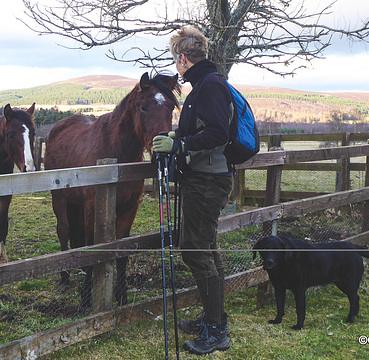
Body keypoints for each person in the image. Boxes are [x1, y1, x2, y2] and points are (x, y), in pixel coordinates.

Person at [152, 26, 234, 355]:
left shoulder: (209, 86)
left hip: (207, 181)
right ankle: (215, 320)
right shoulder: (207, 83)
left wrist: (179, 144)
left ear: (183, 58)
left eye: (176, 60)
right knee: (207, 249)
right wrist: (180, 143)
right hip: (204, 179)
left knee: (196, 252)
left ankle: (215, 331)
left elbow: (217, 133)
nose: (177, 67)